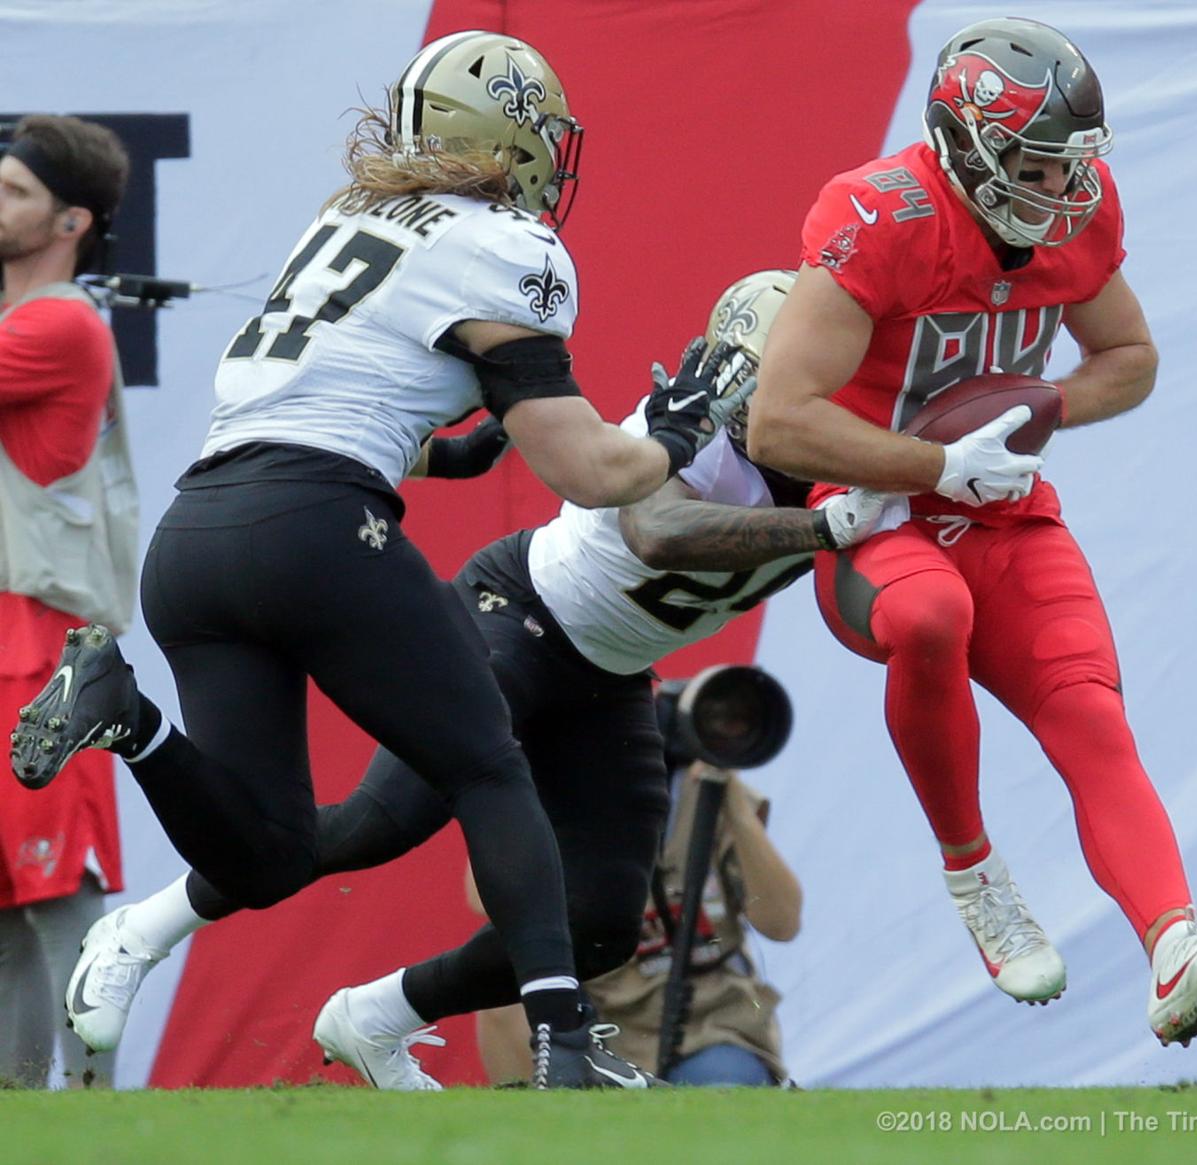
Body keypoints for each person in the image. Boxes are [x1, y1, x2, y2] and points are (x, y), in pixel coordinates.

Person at [9, 31, 749, 1091]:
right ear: (501, 134)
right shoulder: (509, 247)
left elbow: (327, 404)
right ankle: (562, 1039)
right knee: (486, 761)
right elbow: (593, 469)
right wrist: (677, 435)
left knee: (263, 854)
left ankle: (130, 718)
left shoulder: (348, 217)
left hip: (201, 539)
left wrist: (455, 447)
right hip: (315, 529)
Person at [51, 268, 908, 1089]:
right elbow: (656, 530)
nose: (819, 392)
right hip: (521, 611)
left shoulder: (839, 460)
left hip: (611, 673)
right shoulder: (686, 423)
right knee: (378, 824)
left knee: (603, 924)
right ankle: (143, 931)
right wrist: (825, 527)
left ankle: (377, 1014)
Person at [746, 16, 1197, 1047]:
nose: (1061, 191)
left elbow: (1127, 355)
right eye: (1037, 166)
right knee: (931, 613)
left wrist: (1035, 411)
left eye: (1070, 165)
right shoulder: (883, 214)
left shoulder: (1073, 218)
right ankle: (973, 870)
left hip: (1006, 513)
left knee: (1090, 713)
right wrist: (937, 461)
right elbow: (782, 417)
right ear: (964, 148)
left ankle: (1175, 949)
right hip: (875, 519)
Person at [0, 115, 136, 1088]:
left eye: (13, 191)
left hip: (34, 635)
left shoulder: (56, 323)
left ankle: (94, 1110)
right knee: (14, 898)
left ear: (70, 220)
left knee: (54, 886)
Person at [472, 756, 800, 1088]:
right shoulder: (565, 791)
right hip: (599, 1027)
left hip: (710, 1029)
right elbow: (480, 897)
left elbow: (783, 923)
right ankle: (541, 1125)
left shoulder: (706, 789)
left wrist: (735, 806)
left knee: (722, 1096)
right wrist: (533, 786)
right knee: (505, 989)